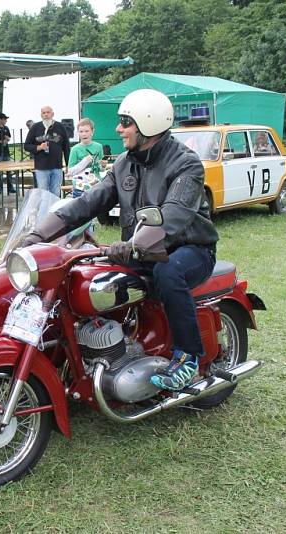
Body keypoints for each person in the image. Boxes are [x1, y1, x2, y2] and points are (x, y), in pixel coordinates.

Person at [23, 89, 218, 392]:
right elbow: (88, 202)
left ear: (148, 124)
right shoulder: (125, 163)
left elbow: (173, 217)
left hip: (189, 249)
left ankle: (188, 358)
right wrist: (37, 234)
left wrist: (133, 245)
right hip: (141, 251)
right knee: (86, 277)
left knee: (170, 271)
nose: (118, 128)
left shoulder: (186, 164)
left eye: (125, 122)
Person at [24, 106, 71, 197]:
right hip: (41, 168)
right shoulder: (35, 127)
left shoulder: (60, 126)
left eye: (48, 112)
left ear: (52, 114)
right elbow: (26, 146)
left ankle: (54, 211)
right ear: (41, 115)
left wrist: (68, 164)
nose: (46, 114)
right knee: (43, 194)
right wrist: (39, 147)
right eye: (43, 113)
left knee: (56, 193)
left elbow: (66, 147)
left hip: (57, 167)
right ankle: (44, 211)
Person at [67, 118, 104, 198]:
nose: (84, 134)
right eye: (81, 131)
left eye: (87, 131)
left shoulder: (99, 147)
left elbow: (99, 168)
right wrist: (84, 161)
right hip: (80, 188)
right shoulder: (74, 149)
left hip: (96, 186)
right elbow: (70, 171)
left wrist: (102, 166)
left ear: (92, 132)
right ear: (78, 133)